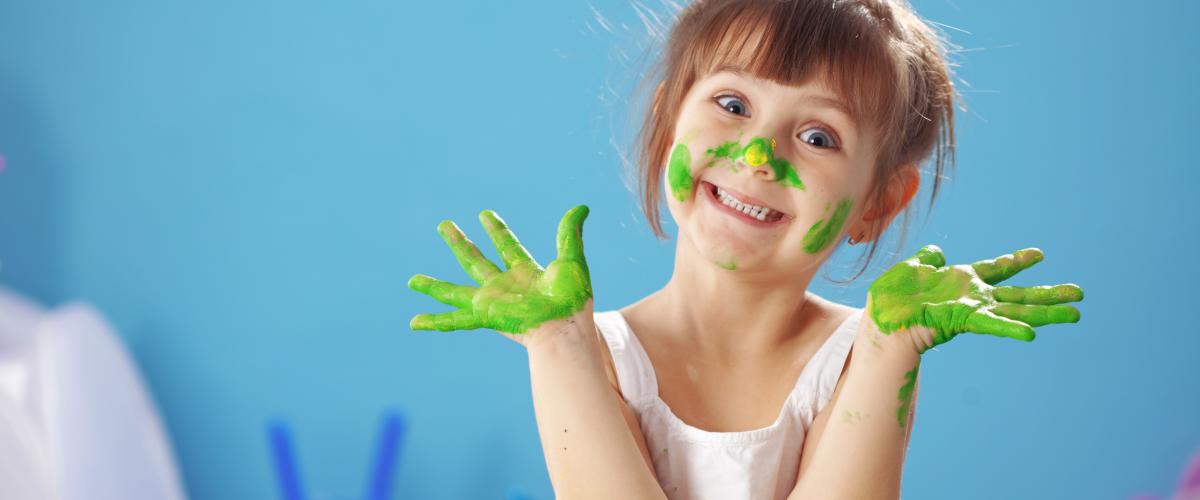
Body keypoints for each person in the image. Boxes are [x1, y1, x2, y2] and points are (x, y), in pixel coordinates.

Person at [406, 0, 1084, 498]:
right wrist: (558, 346)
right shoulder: (595, 350)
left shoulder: (862, 353)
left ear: (877, 203)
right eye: (732, 104)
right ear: (670, 117)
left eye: (819, 137)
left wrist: (890, 352)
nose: (759, 156)